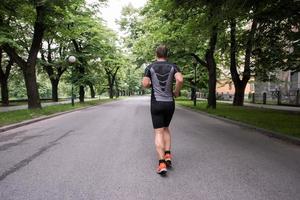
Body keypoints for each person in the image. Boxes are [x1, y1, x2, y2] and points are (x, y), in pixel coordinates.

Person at [142, 45, 183, 175]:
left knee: (158, 132)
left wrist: (151, 84)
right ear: (167, 55)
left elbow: (145, 84)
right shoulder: (173, 66)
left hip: (156, 103)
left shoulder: (150, 67)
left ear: (156, 54)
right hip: (170, 103)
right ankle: (168, 155)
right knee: (166, 128)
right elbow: (180, 79)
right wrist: (176, 91)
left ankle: (161, 164)